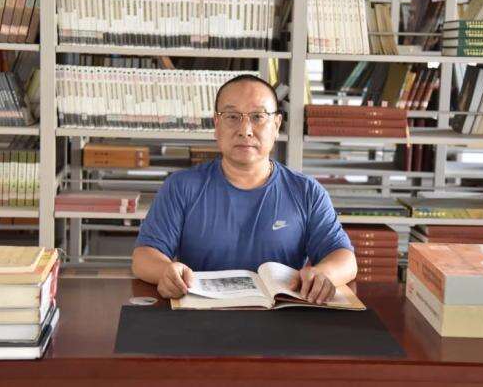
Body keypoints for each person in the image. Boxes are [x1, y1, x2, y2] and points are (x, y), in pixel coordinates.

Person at [131, 74, 357, 303]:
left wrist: (323, 274)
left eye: (258, 117)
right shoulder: (181, 186)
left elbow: (345, 259)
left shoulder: (306, 191)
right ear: (216, 124)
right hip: (201, 314)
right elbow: (143, 256)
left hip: (283, 316)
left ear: (276, 125)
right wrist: (166, 271)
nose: (245, 130)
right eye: (232, 117)